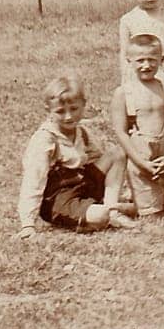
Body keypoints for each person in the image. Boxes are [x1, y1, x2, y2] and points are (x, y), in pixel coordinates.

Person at [16, 73, 136, 237]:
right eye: (60, 111)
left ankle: (112, 208)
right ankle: (101, 215)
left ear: (83, 105)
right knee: (100, 216)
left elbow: (98, 162)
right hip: (59, 199)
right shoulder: (46, 139)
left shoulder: (81, 132)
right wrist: (27, 223)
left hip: (82, 185)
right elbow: (33, 180)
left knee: (117, 153)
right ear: (48, 110)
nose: (69, 116)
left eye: (74, 109)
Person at [109, 34, 164, 219]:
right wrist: (141, 163)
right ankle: (120, 208)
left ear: (160, 59)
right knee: (153, 216)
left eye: (152, 60)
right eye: (140, 60)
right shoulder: (124, 93)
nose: (146, 65)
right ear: (129, 61)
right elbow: (121, 132)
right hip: (141, 156)